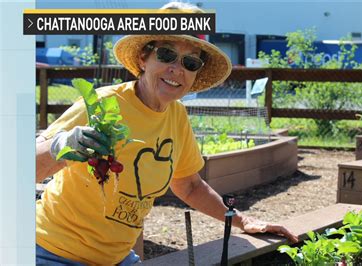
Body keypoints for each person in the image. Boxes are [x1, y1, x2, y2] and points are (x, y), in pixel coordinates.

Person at [35, 2, 298, 265]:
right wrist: (62, 145)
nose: (177, 68)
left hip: (115, 259)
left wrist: (243, 220)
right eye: (166, 55)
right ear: (143, 58)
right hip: (52, 251)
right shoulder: (104, 104)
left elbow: (190, 185)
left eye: (190, 62)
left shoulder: (176, 116)